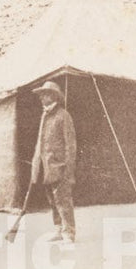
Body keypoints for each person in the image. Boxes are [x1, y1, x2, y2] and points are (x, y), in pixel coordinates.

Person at [31, 80, 77, 243]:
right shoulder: (44, 115)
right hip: (47, 167)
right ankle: (58, 229)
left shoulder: (63, 115)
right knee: (52, 200)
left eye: (45, 94)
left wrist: (69, 170)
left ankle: (69, 232)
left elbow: (70, 145)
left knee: (63, 199)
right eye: (41, 95)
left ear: (53, 96)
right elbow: (40, 142)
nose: (42, 97)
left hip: (61, 167)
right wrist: (36, 165)